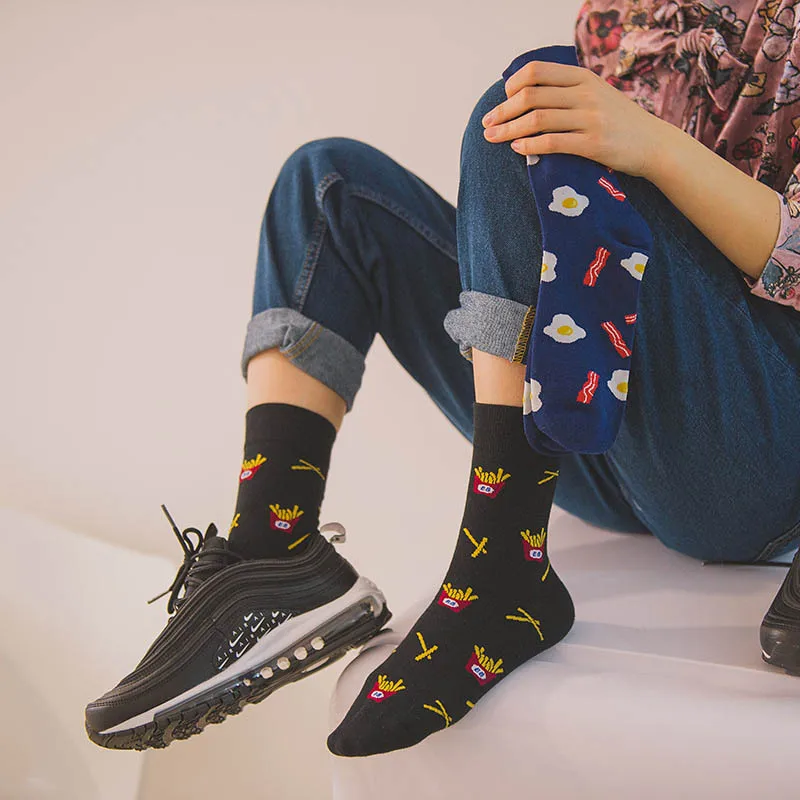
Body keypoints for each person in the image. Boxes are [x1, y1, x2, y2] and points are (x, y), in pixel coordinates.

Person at [85, 0, 800, 756]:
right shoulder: (634, 15)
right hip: (608, 436)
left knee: (526, 113)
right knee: (328, 188)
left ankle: (499, 571)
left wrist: (652, 145)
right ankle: (274, 554)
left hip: (756, 463)